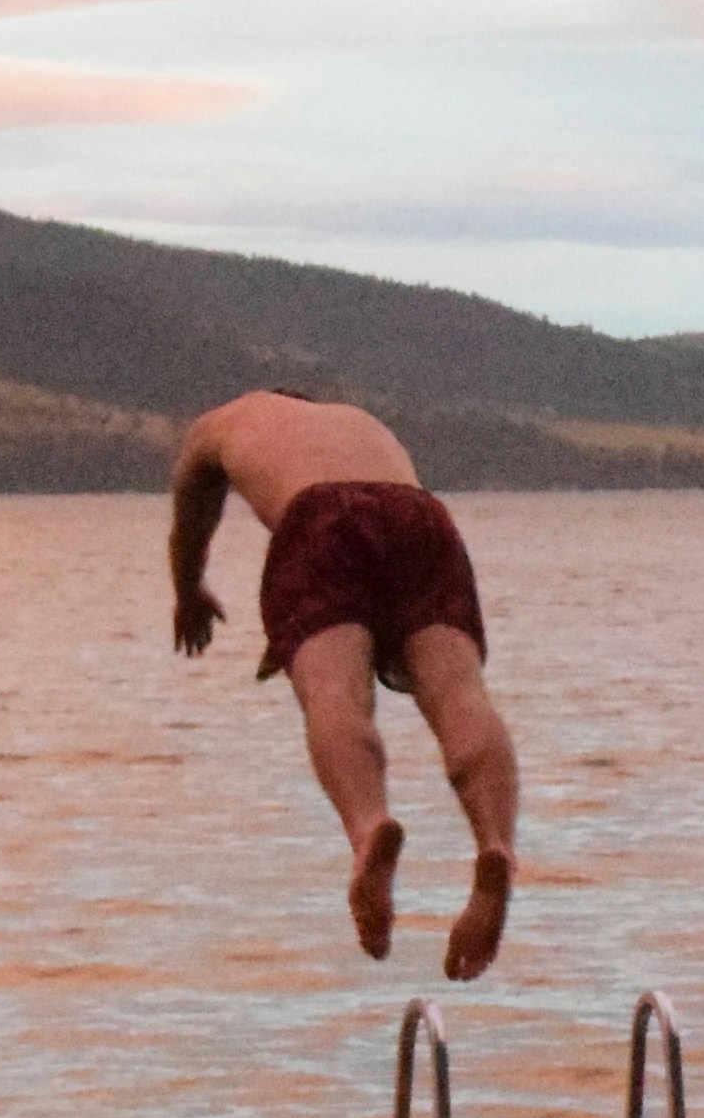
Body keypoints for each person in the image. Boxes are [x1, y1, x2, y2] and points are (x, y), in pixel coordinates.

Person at [167, 390, 519, 980]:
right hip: (420, 516)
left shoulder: (221, 423)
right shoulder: (360, 423)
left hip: (318, 519)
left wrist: (189, 592)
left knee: (334, 698)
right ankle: (497, 846)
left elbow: (191, 515)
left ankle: (368, 829)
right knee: (462, 698)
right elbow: (382, 549)